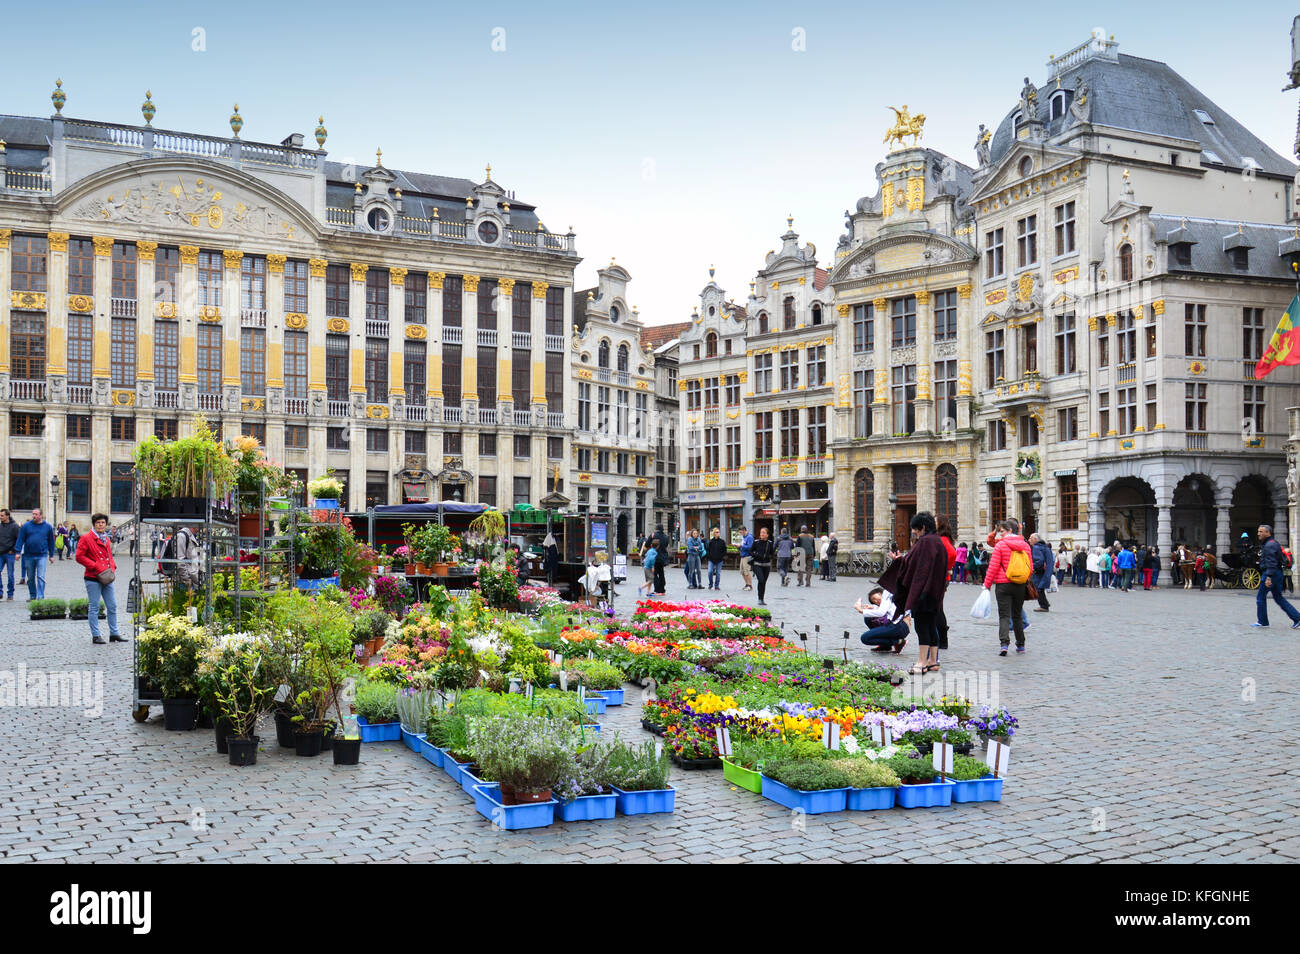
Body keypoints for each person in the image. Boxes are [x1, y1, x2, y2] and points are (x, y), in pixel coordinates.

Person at [877, 512, 949, 675]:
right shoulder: (937, 541)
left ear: (922, 527)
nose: (914, 532)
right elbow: (916, 562)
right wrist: (902, 560)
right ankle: (933, 661)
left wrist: (899, 562)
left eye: (915, 529)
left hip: (923, 591)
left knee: (922, 626)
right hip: (934, 591)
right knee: (931, 625)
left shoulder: (925, 542)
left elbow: (918, 567)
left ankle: (921, 662)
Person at [983, 518, 1031, 656]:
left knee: (1004, 615)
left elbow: (993, 567)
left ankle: (1004, 644)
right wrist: (1025, 580)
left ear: (1010, 531)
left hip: (1003, 584)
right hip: (1020, 584)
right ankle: (1021, 645)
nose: (1001, 534)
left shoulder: (1001, 546)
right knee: (1017, 616)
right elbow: (1030, 566)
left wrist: (986, 585)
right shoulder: (1025, 546)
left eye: (1002, 531)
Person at [76, 513, 123, 644]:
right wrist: (95, 566)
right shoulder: (86, 538)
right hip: (93, 577)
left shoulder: (106, 538)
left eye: (103, 523)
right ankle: (96, 635)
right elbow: (79, 556)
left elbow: (109, 555)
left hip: (107, 576)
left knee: (112, 606)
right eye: (98, 523)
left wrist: (112, 567)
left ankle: (114, 633)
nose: (101, 525)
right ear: (94, 524)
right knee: (94, 607)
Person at [1252, 524, 1300, 628]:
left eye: (1261, 532)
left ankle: (1263, 621)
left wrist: (1268, 577)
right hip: (1277, 573)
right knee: (1279, 598)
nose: (1258, 533)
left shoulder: (1269, 545)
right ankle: (1297, 618)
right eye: (1258, 531)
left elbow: (1271, 562)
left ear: (1268, 533)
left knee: (1260, 598)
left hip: (1270, 574)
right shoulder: (1273, 543)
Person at [15, 508, 56, 600]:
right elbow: (20, 539)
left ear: (41, 515)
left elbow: (51, 541)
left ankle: (40, 597)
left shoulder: (48, 527)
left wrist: (52, 555)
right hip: (28, 555)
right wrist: (18, 552)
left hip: (42, 555)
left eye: (36, 514)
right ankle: (33, 595)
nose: (34, 516)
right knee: (30, 577)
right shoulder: (26, 526)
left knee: (41, 576)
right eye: (33, 514)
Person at [855, 586, 908, 653]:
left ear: (881, 594)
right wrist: (871, 607)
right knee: (868, 618)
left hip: (899, 626)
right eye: (873, 601)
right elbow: (881, 609)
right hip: (896, 626)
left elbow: (881, 613)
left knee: (865, 638)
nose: (876, 601)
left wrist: (860, 610)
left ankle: (898, 642)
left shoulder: (887, 596)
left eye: (875, 598)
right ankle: (885, 645)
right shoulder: (888, 598)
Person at [749, 526, 775, 606]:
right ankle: (759, 598)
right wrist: (756, 554)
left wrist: (769, 557)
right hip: (757, 564)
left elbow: (772, 553)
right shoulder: (756, 542)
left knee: (763, 582)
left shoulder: (770, 543)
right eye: (761, 532)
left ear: (767, 535)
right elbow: (751, 551)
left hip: (766, 565)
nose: (762, 534)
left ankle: (762, 599)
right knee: (761, 580)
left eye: (764, 533)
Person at [1029, 532, 1053, 612]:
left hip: (1039, 572)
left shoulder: (1036, 547)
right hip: (1046, 571)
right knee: (1040, 588)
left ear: (1035, 539)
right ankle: (1045, 603)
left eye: (1031, 538)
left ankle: (1043, 605)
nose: (1029, 540)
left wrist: (1032, 567)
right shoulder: (1045, 547)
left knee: (1037, 588)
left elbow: (1039, 561)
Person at [0, 509, 19, 600]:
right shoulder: (0, 526)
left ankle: (10, 593)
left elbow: (18, 539)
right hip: (0, 553)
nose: (1, 517)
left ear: (7, 516)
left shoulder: (14, 526)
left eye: (2, 515)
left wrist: (14, 549)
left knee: (10, 574)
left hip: (9, 553)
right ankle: (0, 592)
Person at [651, 524, 669, 595]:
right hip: (663, 557)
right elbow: (666, 545)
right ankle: (662, 589)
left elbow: (647, 543)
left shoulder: (653, 535)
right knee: (661, 573)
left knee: (654, 574)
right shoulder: (666, 537)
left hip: (654, 556)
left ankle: (657, 589)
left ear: (656, 528)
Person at [737, 526, 754, 590]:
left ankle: (750, 585)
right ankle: (747, 584)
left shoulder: (749, 537)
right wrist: (739, 547)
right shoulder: (744, 537)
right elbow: (743, 546)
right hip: (743, 555)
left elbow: (750, 547)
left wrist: (742, 546)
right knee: (742, 571)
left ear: (744, 530)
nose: (740, 533)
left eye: (740, 532)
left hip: (747, 556)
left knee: (746, 571)